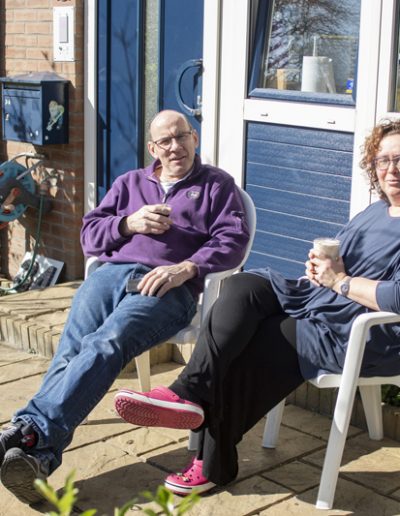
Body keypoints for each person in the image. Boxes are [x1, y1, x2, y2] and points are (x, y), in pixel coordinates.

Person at [114, 118, 400, 496]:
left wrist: (339, 282)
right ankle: (189, 390)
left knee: (258, 343)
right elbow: (341, 263)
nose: (390, 170)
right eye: (383, 160)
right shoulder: (376, 211)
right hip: (322, 303)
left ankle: (212, 462)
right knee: (242, 287)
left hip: (364, 333)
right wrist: (321, 270)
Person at [0, 110, 250, 505]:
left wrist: (187, 268)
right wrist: (128, 225)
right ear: (153, 148)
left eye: (181, 137)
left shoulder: (217, 186)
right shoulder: (130, 183)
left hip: (167, 286)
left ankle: (29, 432)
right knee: (73, 346)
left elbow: (233, 240)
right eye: (164, 141)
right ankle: (38, 455)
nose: (175, 146)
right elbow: (90, 233)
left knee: (107, 342)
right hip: (111, 274)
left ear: (194, 138)